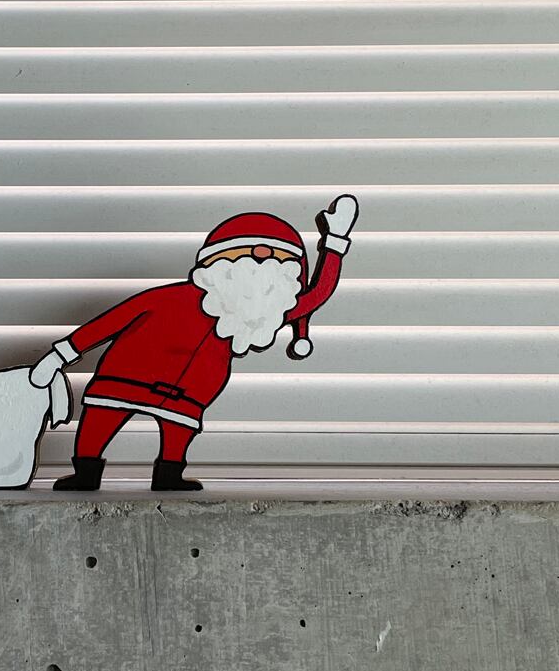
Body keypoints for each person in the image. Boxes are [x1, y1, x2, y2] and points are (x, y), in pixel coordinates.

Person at [29, 195, 358, 491]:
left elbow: (317, 294)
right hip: (123, 379)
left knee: (177, 434)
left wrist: (335, 242)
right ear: (217, 262)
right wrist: (60, 355)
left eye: (276, 262)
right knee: (101, 422)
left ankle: (169, 475)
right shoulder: (170, 298)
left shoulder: (258, 315)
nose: (260, 264)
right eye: (249, 256)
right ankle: (86, 472)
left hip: (188, 395)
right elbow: (111, 323)